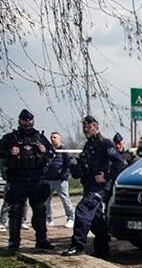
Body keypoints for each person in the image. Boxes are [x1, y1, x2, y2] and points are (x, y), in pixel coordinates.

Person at [61, 116, 125, 257]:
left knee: (82, 211)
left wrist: (106, 177)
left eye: (88, 126)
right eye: (84, 126)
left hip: (99, 187)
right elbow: (82, 168)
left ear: (96, 126)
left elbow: (119, 163)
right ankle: (102, 249)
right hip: (89, 185)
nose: (85, 129)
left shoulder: (105, 143)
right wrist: (72, 164)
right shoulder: (88, 145)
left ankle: (77, 245)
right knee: (96, 220)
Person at [0, 109, 54, 251]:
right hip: (18, 179)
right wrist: (9, 152)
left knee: (40, 210)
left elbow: (51, 153)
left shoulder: (39, 137)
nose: (27, 122)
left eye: (29, 120)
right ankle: (14, 241)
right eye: (25, 120)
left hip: (37, 179)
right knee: (16, 210)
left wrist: (45, 151)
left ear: (33, 120)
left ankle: (42, 240)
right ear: (20, 121)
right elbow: (1, 152)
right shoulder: (11, 138)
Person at [44, 132, 75, 228]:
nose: (53, 139)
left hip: (60, 180)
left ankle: (71, 218)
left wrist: (64, 175)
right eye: (51, 137)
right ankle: (49, 219)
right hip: (49, 179)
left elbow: (69, 163)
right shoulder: (48, 151)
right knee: (46, 201)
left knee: (65, 200)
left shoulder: (64, 150)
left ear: (59, 139)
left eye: (55, 137)